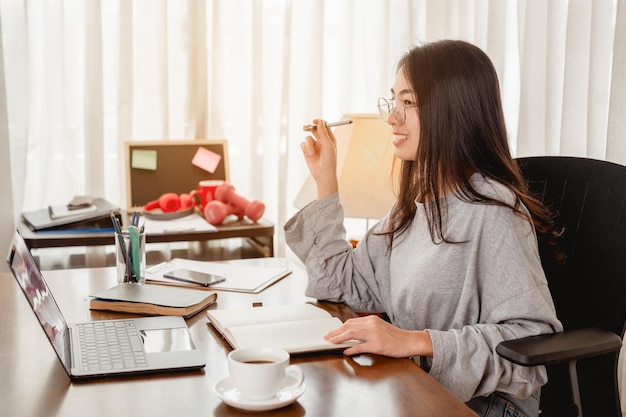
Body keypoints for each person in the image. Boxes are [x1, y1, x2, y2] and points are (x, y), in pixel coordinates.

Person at [284, 39, 563, 417]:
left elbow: (531, 341)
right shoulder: (413, 207)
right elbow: (340, 283)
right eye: (393, 101)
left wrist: (415, 342)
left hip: (485, 405)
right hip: (418, 387)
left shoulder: (493, 211)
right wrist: (326, 180)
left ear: (452, 109)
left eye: (409, 102)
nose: (392, 117)